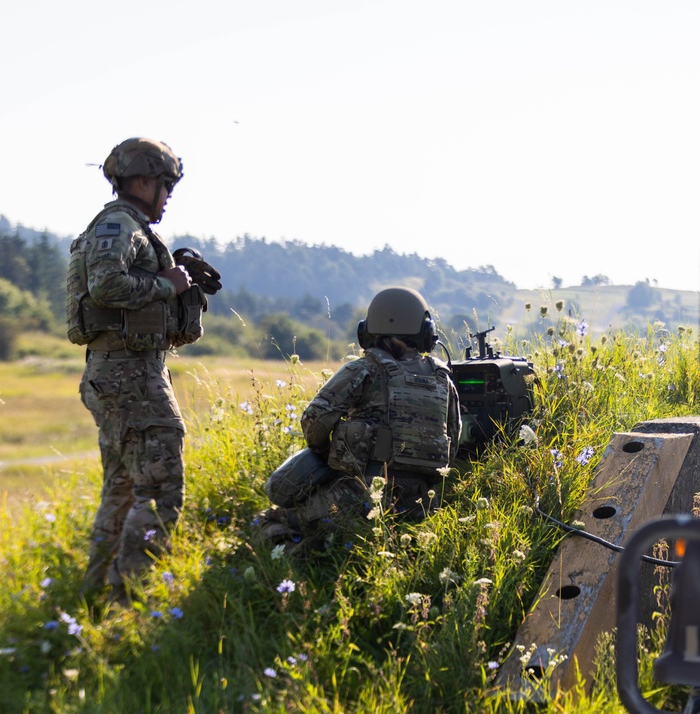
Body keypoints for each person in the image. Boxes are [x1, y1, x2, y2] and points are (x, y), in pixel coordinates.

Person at [65, 137, 221, 605]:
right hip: (130, 375)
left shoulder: (126, 226)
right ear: (143, 179)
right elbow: (106, 284)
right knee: (160, 488)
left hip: (120, 371)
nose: (168, 195)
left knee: (124, 488)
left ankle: (96, 599)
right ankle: (128, 603)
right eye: (166, 185)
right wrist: (165, 284)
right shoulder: (118, 224)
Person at [262, 286, 461, 553]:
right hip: (422, 502)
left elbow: (314, 419)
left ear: (368, 331)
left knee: (273, 520)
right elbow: (454, 437)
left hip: (358, 495)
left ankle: (297, 567)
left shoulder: (365, 368)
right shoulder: (443, 379)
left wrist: (323, 454)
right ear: (426, 332)